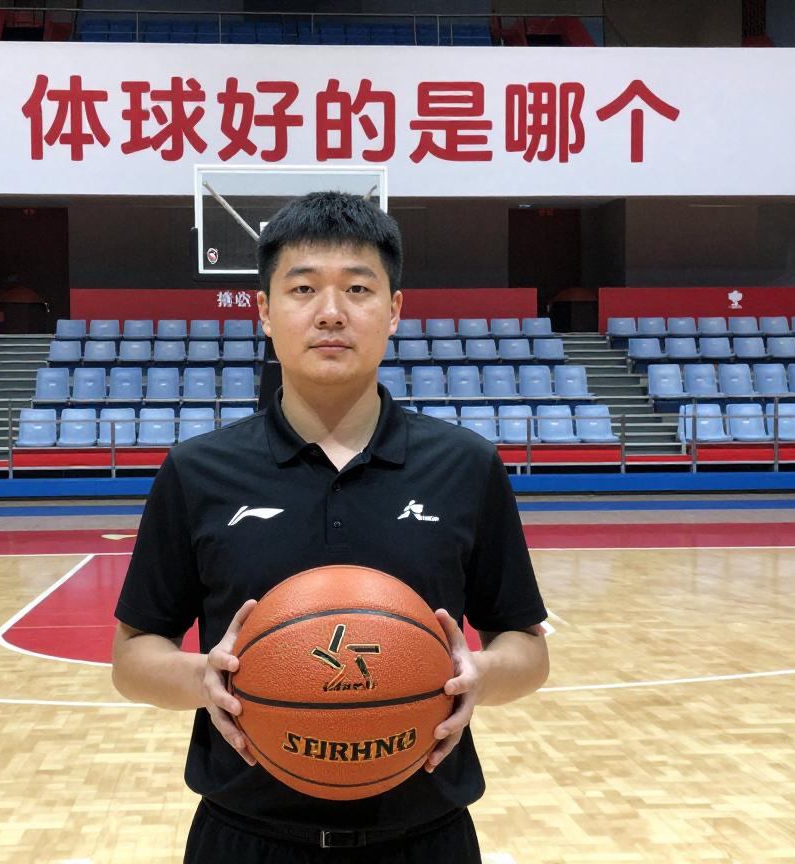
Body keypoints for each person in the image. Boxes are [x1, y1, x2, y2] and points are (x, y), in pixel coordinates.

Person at [112, 191, 549, 863]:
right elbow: (132, 658)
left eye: (358, 288)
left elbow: (527, 647)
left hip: (425, 838)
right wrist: (203, 678)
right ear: (264, 310)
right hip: (246, 839)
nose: (331, 312)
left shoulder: (465, 466)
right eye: (303, 288)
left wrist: (480, 674)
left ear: (394, 310)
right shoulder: (198, 471)